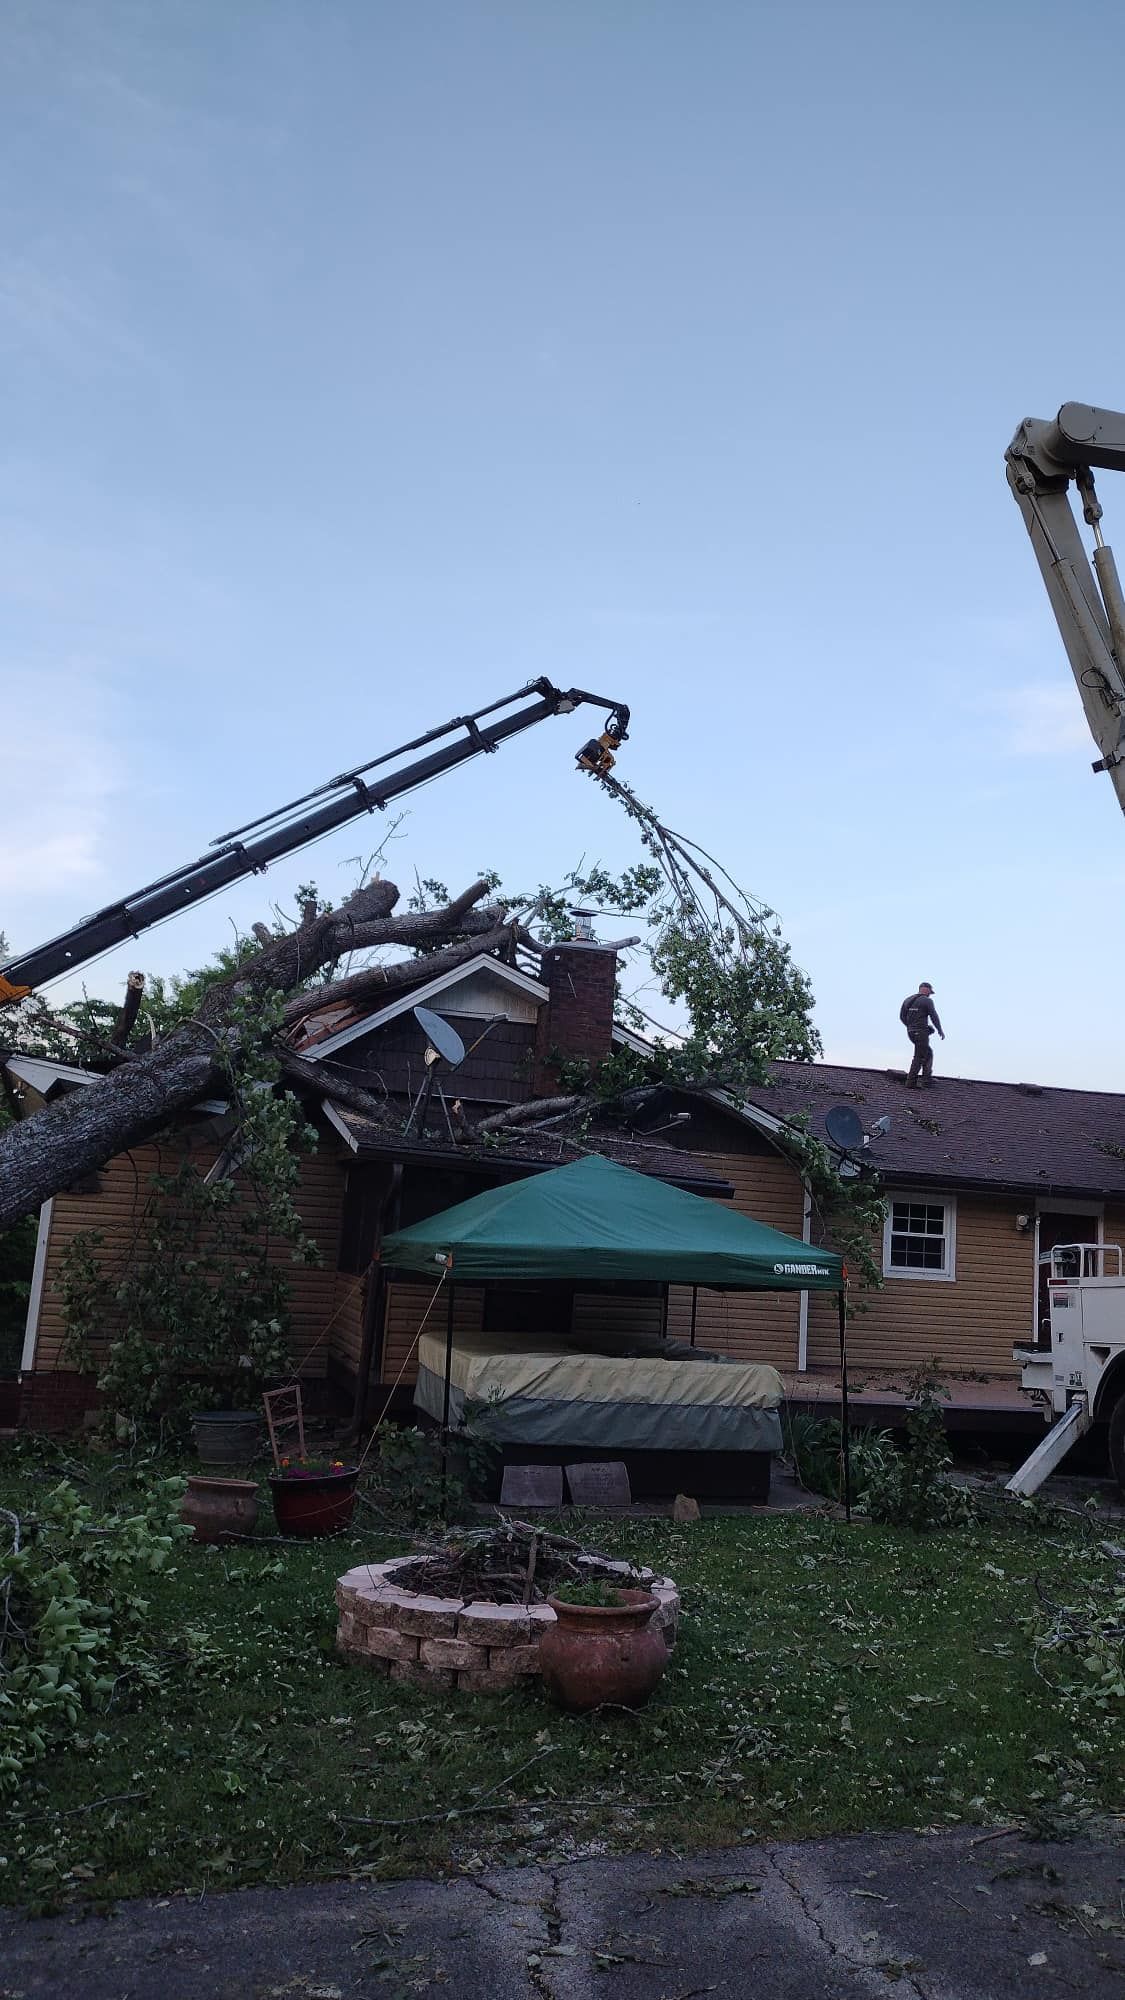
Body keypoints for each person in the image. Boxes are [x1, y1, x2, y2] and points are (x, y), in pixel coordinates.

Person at [900, 982, 944, 1088]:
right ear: (927, 990)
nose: (930, 994)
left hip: (911, 1032)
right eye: (930, 992)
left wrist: (910, 1026)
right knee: (919, 1056)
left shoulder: (907, 1000)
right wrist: (939, 1030)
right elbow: (934, 1016)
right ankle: (911, 1083)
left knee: (927, 1053)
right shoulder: (927, 1001)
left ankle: (926, 1078)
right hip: (920, 1033)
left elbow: (902, 1017)